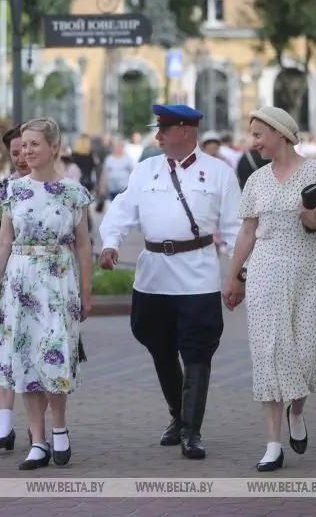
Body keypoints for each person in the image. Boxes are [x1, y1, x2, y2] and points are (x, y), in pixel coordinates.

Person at [98, 104, 243, 460]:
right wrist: (110, 243)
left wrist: (238, 274)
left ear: (185, 131)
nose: (157, 134)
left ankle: (192, 431)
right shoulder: (145, 170)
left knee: (197, 350)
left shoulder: (219, 173)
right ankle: (178, 417)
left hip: (198, 277)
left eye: (164, 128)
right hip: (154, 277)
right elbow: (121, 210)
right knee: (160, 346)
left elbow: (235, 230)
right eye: (157, 128)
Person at [223, 106, 316, 472]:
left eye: (259, 135)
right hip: (264, 270)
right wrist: (232, 276)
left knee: (304, 354)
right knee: (270, 354)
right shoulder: (256, 180)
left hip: (308, 272)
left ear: (280, 133)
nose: (254, 142)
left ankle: (298, 411)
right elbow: (247, 232)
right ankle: (273, 444)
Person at [0, 117, 93, 470]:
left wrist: (86, 291)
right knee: (25, 356)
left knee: (55, 354)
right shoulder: (13, 191)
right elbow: (3, 242)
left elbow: (83, 246)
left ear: (54, 148)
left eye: (34, 144)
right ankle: (38, 440)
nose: (27, 151)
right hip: (19, 279)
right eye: (24, 145)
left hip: (58, 279)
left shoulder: (73, 192)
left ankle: (59, 428)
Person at [0, 124, 30, 450]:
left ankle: (40, 427)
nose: (22, 157)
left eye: (27, 149)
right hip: (6, 279)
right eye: (15, 152)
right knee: (4, 352)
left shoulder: (60, 188)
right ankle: (4, 426)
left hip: (44, 280)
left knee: (39, 354)